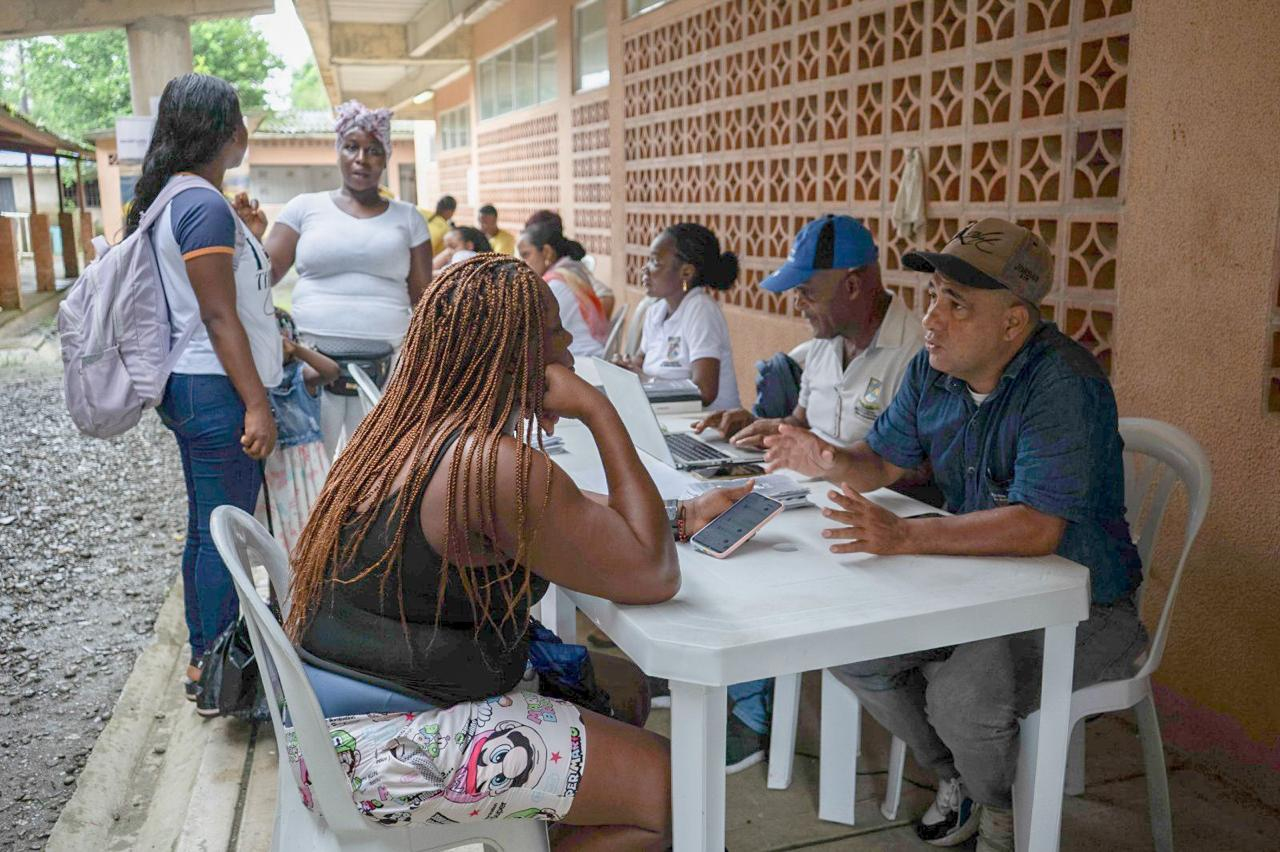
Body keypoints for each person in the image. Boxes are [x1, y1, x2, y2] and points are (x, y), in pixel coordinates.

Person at [284, 255, 752, 845]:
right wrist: (598, 411)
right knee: (681, 791)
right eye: (555, 329)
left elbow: (571, 508)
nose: (569, 346)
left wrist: (678, 514)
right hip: (381, 743)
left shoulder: (411, 430)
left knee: (622, 686)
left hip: (339, 712)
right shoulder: (490, 466)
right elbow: (655, 575)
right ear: (519, 352)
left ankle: (550, 825)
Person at [763, 218, 1148, 852]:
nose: (932, 319)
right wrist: (828, 459)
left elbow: (1037, 527)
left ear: (1013, 325)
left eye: (956, 304)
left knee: (963, 699)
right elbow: (879, 462)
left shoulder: (1063, 384)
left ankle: (1000, 813)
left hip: (1084, 609)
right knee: (852, 650)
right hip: (978, 589)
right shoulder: (932, 372)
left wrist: (906, 539)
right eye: (935, 295)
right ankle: (964, 780)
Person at [686, 214, 925, 771]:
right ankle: (741, 698)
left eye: (807, 290)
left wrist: (829, 457)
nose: (798, 302)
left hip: (873, 526)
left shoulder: (915, 352)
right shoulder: (823, 345)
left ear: (853, 283)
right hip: (813, 504)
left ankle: (753, 718)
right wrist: (766, 423)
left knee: (748, 564)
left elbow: (925, 471)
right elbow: (801, 417)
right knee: (720, 536)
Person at [127, 73, 282, 707]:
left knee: (205, 530)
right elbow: (220, 317)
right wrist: (256, 401)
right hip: (216, 389)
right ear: (223, 131)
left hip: (191, 387)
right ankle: (216, 668)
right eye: (239, 119)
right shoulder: (202, 204)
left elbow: (229, 296)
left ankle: (203, 659)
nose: (246, 130)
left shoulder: (179, 197)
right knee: (227, 533)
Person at [259, 101, 434, 458]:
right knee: (308, 465)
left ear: (386, 158)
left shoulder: (409, 219)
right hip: (310, 367)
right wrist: (248, 239)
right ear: (337, 150)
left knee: (376, 472)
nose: (361, 158)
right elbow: (263, 276)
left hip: (387, 370)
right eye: (351, 146)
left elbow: (424, 300)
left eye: (373, 150)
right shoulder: (304, 208)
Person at [613, 223, 741, 410]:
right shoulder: (656, 311)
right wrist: (625, 366)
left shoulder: (701, 310)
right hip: (669, 417)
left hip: (707, 425)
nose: (645, 269)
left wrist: (647, 379)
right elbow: (641, 362)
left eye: (655, 262)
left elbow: (704, 392)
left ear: (686, 273)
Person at [261, 309, 340, 556]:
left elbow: (332, 371)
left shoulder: (300, 375)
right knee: (276, 539)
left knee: (312, 532)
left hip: (305, 467)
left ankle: (310, 589)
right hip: (274, 465)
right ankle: (277, 594)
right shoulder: (257, 379)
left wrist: (297, 350)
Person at [518, 219, 611, 358]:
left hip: (583, 359)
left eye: (526, 255)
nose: (522, 264)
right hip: (592, 355)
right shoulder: (569, 271)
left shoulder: (555, 286)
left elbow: (535, 335)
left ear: (547, 252)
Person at [525, 209, 615, 316]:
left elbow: (607, 296)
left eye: (527, 254)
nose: (524, 262)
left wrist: (586, 320)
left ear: (546, 251)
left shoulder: (568, 272)